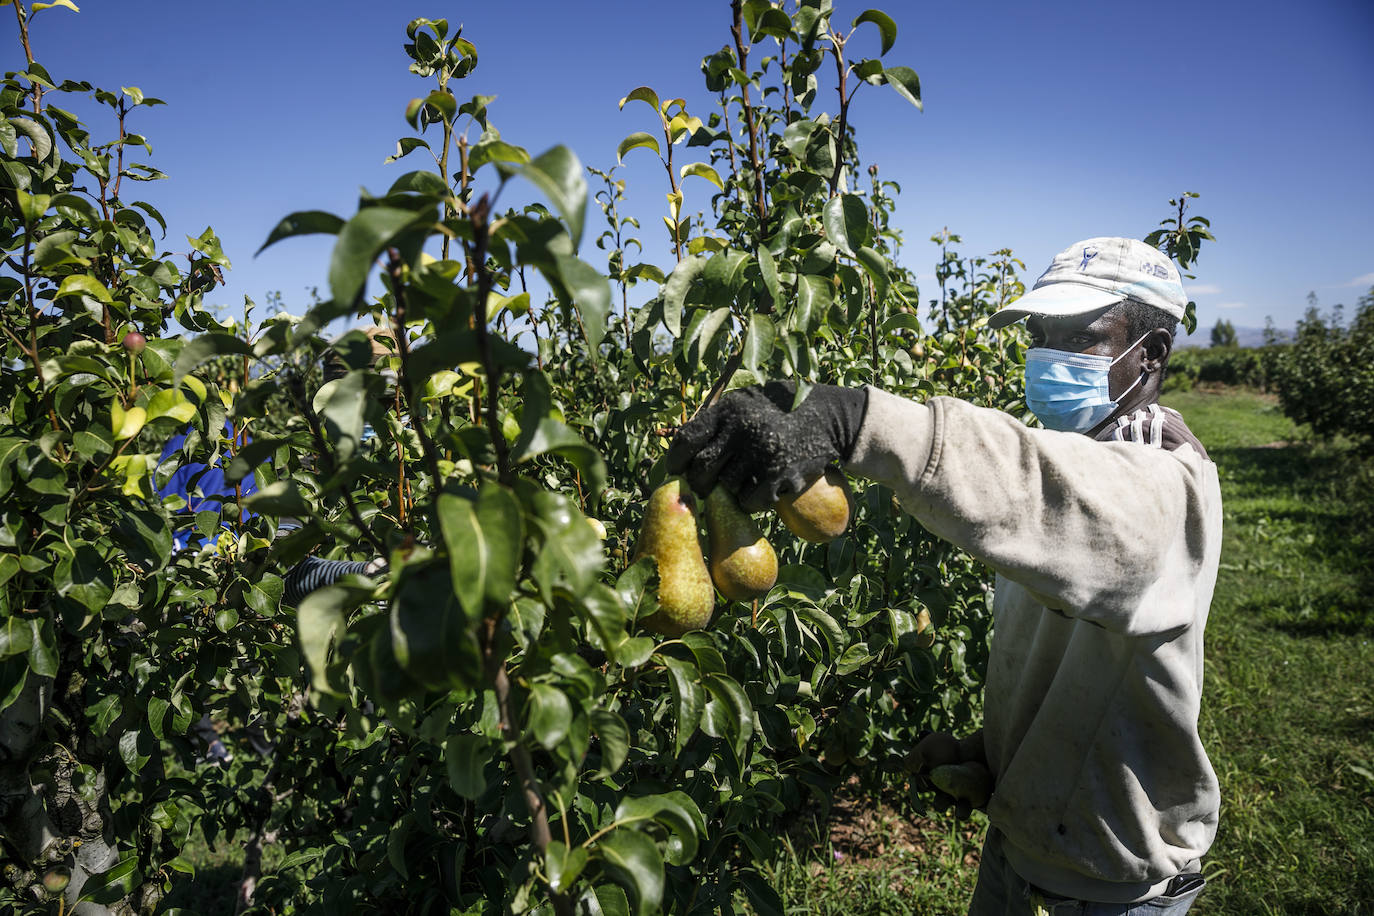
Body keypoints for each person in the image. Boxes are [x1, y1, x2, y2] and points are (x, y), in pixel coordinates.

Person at [665, 237, 1221, 914]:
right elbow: (1070, 658)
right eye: (1041, 334)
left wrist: (856, 419)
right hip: (1020, 850)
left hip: (1109, 885)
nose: (1047, 352)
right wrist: (988, 757)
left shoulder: (1168, 487)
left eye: (1080, 335)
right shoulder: (1076, 459)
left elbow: (1039, 488)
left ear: (1153, 353)